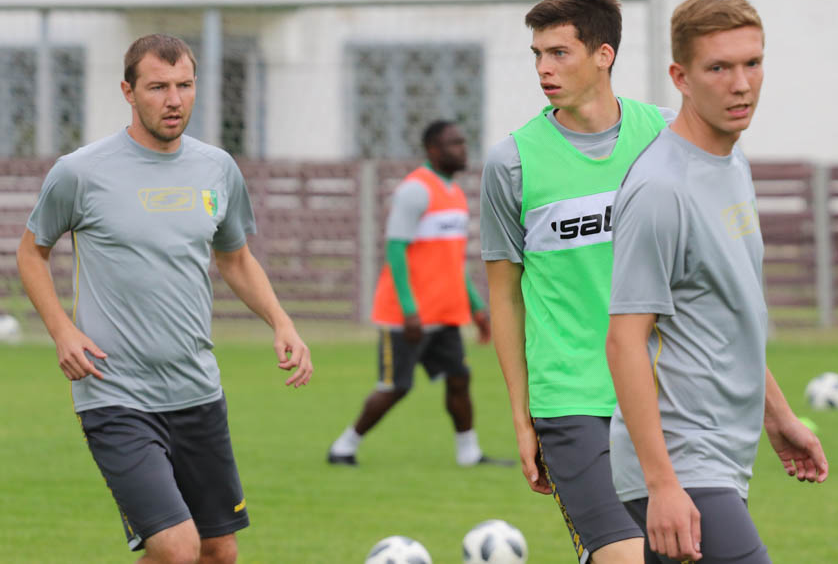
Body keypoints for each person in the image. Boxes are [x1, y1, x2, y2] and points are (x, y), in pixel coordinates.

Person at [16, 34, 313, 564]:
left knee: (218, 551)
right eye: (158, 87)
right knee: (176, 548)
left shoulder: (217, 168)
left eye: (184, 85)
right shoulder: (80, 172)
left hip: (197, 390)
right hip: (116, 393)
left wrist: (281, 321)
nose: (174, 100)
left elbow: (236, 259)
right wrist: (62, 330)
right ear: (128, 92)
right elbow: (30, 253)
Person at [605, 0, 829, 564]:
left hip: (723, 457)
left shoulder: (732, 162)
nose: (741, 84)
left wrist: (778, 415)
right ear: (680, 77)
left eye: (752, 63)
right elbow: (625, 341)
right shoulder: (661, 189)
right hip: (681, 458)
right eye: (719, 68)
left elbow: (728, 310)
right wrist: (661, 484)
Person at [481, 0, 673, 564]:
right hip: (569, 398)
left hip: (667, 394)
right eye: (537, 54)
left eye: (559, 52)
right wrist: (522, 417)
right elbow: (504, 298)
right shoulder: (512, 162)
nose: (543, 68)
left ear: (603, 54)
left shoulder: (666, 139)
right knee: (625, 556)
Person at [327, 120, 507, 467]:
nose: (463, 149)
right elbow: (395, 251)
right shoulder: (415, 190)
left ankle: (469, 454)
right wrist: (409, 310)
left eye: (463, 142)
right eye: (454, 143)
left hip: (444, 314)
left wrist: (477, 307)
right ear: (433, 150)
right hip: (406, 316)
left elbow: (453, 261)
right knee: (395, 386)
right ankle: (343, 447)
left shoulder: (455, 194)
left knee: (459, 378)